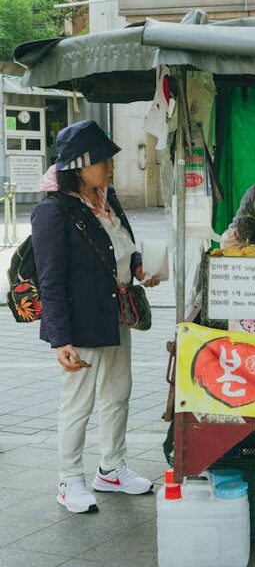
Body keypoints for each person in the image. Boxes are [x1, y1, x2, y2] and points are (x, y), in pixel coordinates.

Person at [31, 120, 161, 514]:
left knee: (117, 395)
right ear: (78, 164)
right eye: (102, 161)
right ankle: (69, 479)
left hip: (116, 314)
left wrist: (138, 264)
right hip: (81, 323)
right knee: (78, 404)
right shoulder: (53, 211)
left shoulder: (107, 197)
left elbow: (119, 242)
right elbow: (50, 280)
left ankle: (112, 468)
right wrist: (61, 339)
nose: (110, 167)